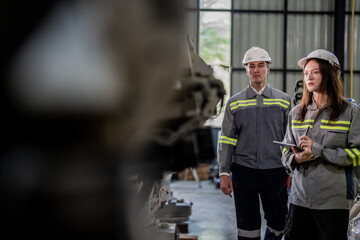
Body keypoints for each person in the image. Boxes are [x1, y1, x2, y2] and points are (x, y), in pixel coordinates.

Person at [281, 49, 360, 240]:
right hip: (300, 200)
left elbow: (357, 154)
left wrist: (319, 151)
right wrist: (296, 157)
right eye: (306, 73)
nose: (309, 77)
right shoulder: (296, 113)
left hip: (333, 202)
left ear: (330, 74)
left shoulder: (351, 112)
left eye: (315, 72)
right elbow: (284, 152)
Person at [218, 47, 291, 240]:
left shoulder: (283, 101)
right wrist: (224, 172)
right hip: (244, 171)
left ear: (268, 69)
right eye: (252, 66)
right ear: (246, 70)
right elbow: (226, 139)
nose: (256, 70)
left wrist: (292, 171)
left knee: (279, 223)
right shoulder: (235, 103)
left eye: (261, 65)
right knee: (247, 225)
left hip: (275, 170)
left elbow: (290, 139)